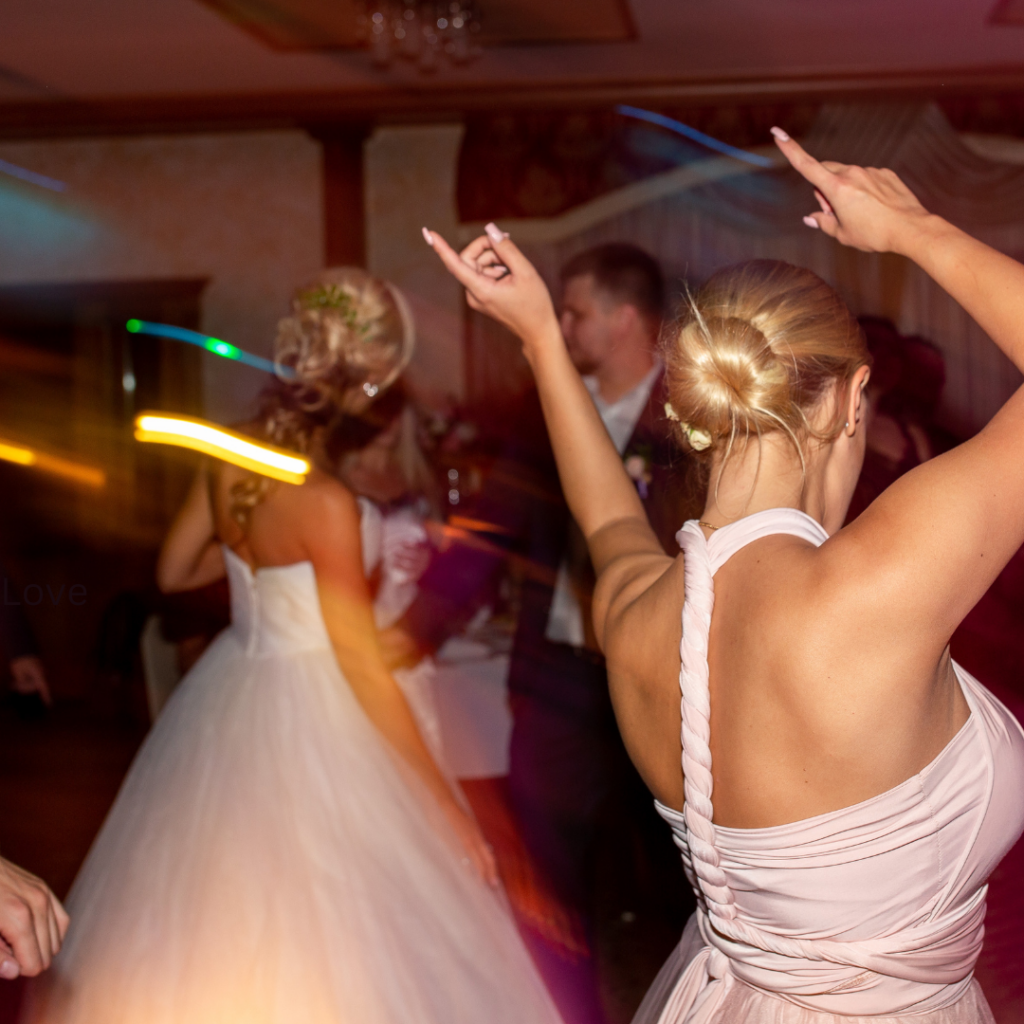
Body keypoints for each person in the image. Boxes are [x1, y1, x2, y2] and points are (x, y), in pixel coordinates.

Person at [421, 126, 1024, 1021]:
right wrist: (914, 229)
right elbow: (607, 512)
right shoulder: (878, 583)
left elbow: (607, 518)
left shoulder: (635, 612)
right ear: (851, 399)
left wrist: (542, 339)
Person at [23, 268, 563, 1024]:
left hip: (231, 689)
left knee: (217, 908)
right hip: (320, 707)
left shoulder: (228, 463)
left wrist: (253, 562)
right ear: (365, 386)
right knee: (346, 924)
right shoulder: (326, 501)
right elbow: (359, 666)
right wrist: (447, 807)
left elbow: (174, 570)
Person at [394, 244, 698, 1023]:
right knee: (549, 891)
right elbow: (486, 534)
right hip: (559, 681)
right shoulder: (548, 416)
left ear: (626, 318)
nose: (560, 325)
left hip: (666, 684)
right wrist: (408, 632)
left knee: (682, 884)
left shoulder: (695, 415)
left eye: (574, 313)